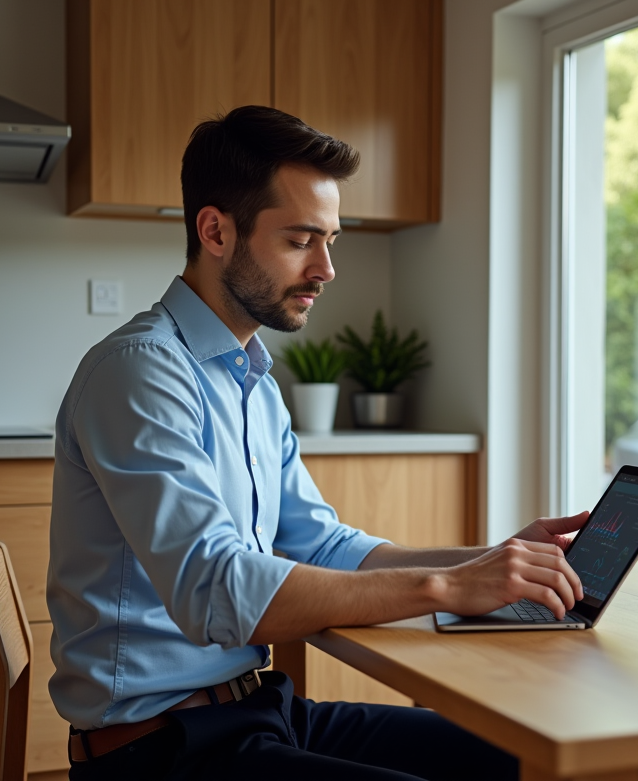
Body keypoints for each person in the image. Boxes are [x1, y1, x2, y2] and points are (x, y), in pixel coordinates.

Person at [47, 105, 588, 781]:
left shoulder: (252, 382)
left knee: (520, 760)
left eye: (331, 239)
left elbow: (326, 545)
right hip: (159, 750)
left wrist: (497, 559)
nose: (327, 268)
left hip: (259, 712)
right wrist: (448, 586)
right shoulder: (140, 372)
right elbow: (215, 591)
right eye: (301, 239)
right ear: (215, 231)